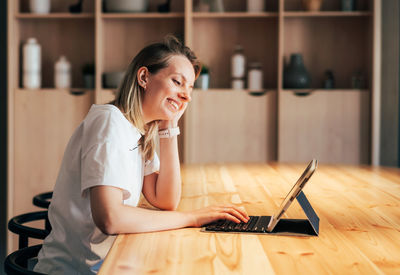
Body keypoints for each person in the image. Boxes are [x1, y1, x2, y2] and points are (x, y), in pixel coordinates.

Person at [34, 36, 249, 274]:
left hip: (106, 263)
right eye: (178, 82)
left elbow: (165, 199)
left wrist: (170, 126)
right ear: (144, 77)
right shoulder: (110, 123)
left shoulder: (137, 130)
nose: (186, 96)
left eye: (190, 88)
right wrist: (193, 218)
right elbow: (110, 218)